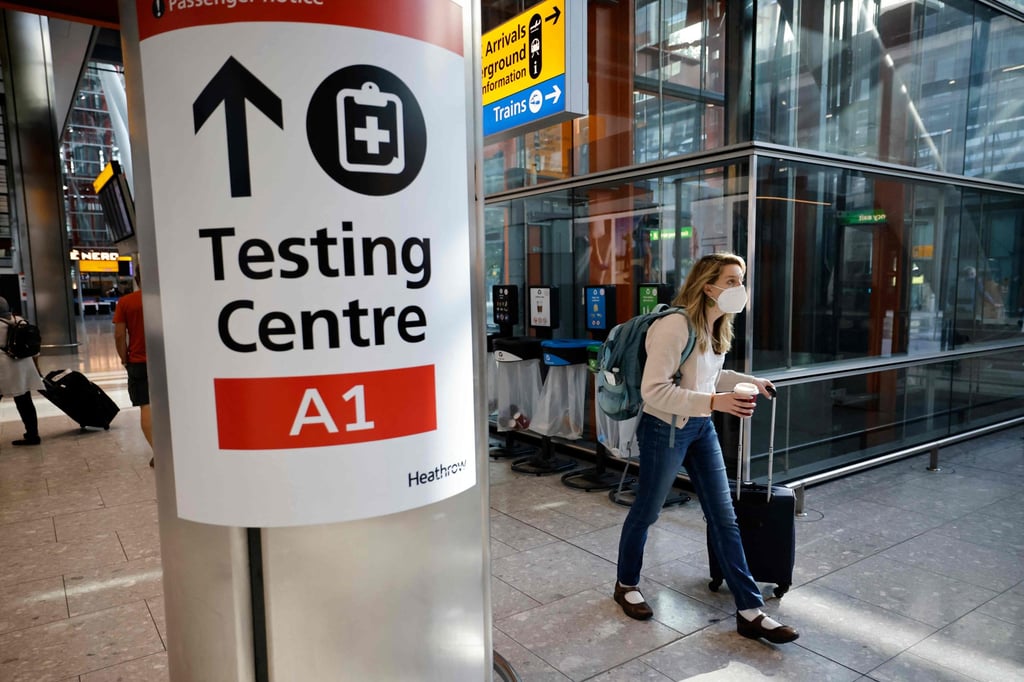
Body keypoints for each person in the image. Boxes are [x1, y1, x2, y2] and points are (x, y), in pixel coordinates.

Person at [613, 252, 799, 644]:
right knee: (647, 512)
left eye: (741, 280)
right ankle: (626, 583)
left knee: (725, 517)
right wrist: (715, 402)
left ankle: (750, 610)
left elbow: (708, 375)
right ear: (707, 285)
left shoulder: (716, 325)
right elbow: (655, 390)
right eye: (731, 281)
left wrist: (749, 380)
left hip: (700, 428)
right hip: (664, 429)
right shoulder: (674, 326)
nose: (739, 288)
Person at [113, 270, 153, 466]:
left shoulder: (127, 302)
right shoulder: (168, 299)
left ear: (137, 280)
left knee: (146, 405)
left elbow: (119, 335)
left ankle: (159, 452)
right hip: (167, 362)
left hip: (139, 361)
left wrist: (124, 358)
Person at [0, 297, 44, 446]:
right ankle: (33, 435)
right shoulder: (20, 321)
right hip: (23, 366)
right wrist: (37, 369)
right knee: (25, 401)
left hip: (4, 368)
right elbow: (34, 349)